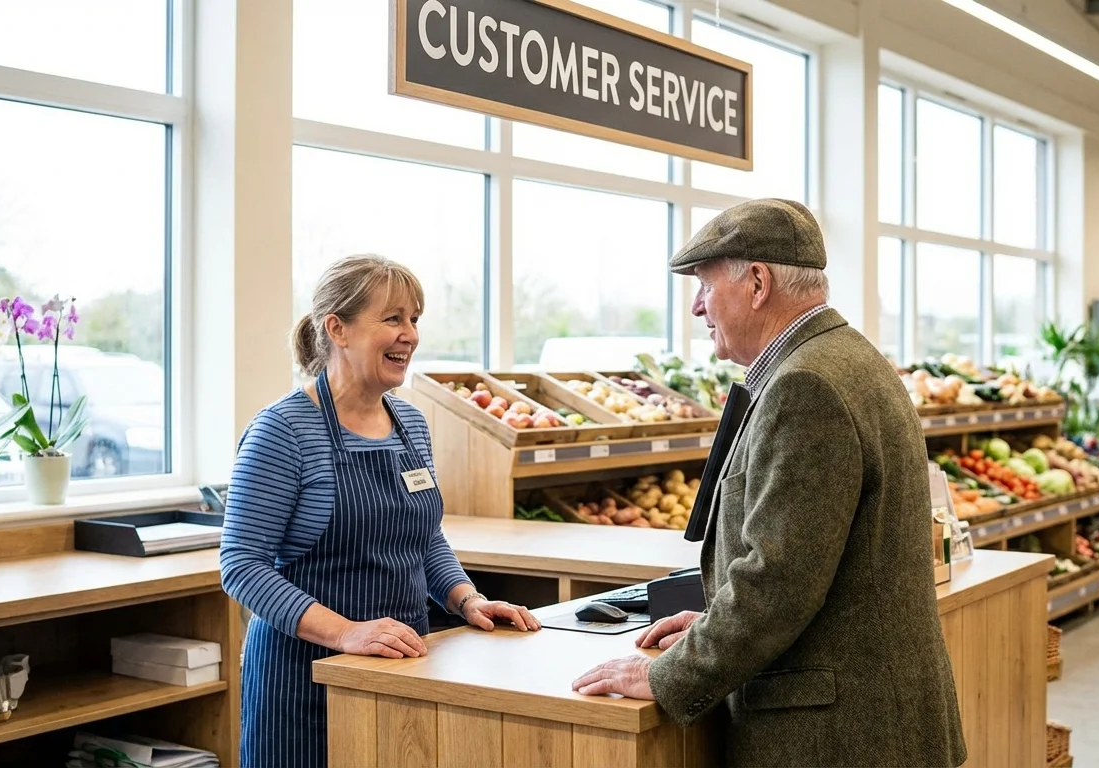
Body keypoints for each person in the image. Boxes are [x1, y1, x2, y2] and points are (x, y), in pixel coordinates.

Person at [571, 200, 967, 767]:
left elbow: (778, 581)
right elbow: (815, 556)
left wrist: (671, 674)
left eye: (706, 285)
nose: (696, 307)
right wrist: (713, 624)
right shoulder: (848, 359)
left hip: (838, 738)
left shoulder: (805, 387)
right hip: (878, 721)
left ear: (757, 283)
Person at [220, 254, 541, 768]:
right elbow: (241, 566)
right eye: (393, 318)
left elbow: (423, 536)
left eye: (415, 319)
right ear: (337, 329)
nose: (410, 334)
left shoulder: (411, 423)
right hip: (303, 682)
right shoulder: (282, 432)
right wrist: (347, 632)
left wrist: (466, 599)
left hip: (403, 670)